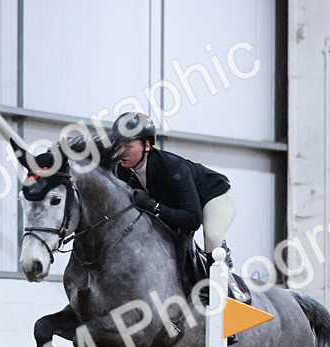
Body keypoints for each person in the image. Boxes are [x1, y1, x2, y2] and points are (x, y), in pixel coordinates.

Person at [107, 111, 250, 305]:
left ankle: (222, 290)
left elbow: (192, 219)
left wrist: (154, 207)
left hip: (215, 196)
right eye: (118, 145)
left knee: (212, 236)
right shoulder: (122, 171)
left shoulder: (171, 168)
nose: (120, 153)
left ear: (147, 145)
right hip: (179, 206)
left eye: (128, 146)